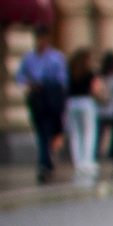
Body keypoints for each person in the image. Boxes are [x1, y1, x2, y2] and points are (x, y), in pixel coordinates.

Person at [14, 36, 67, 182]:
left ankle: (46, 162)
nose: (40, 42)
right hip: (37, 98)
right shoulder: (29, 58)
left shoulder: (56, 57)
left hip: (51, 97)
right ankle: (46, 163)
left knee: (50, 131)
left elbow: (62, 80)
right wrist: (30, 84)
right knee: (42, 132)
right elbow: (19, 76)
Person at [64, 49, 99, 179]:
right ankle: (87, 161)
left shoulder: (70, 69)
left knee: (75, 133)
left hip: (72, 102)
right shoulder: (90, 71)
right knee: (89, 132)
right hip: (86, 102)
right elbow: (95, 88)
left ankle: (78, 162)